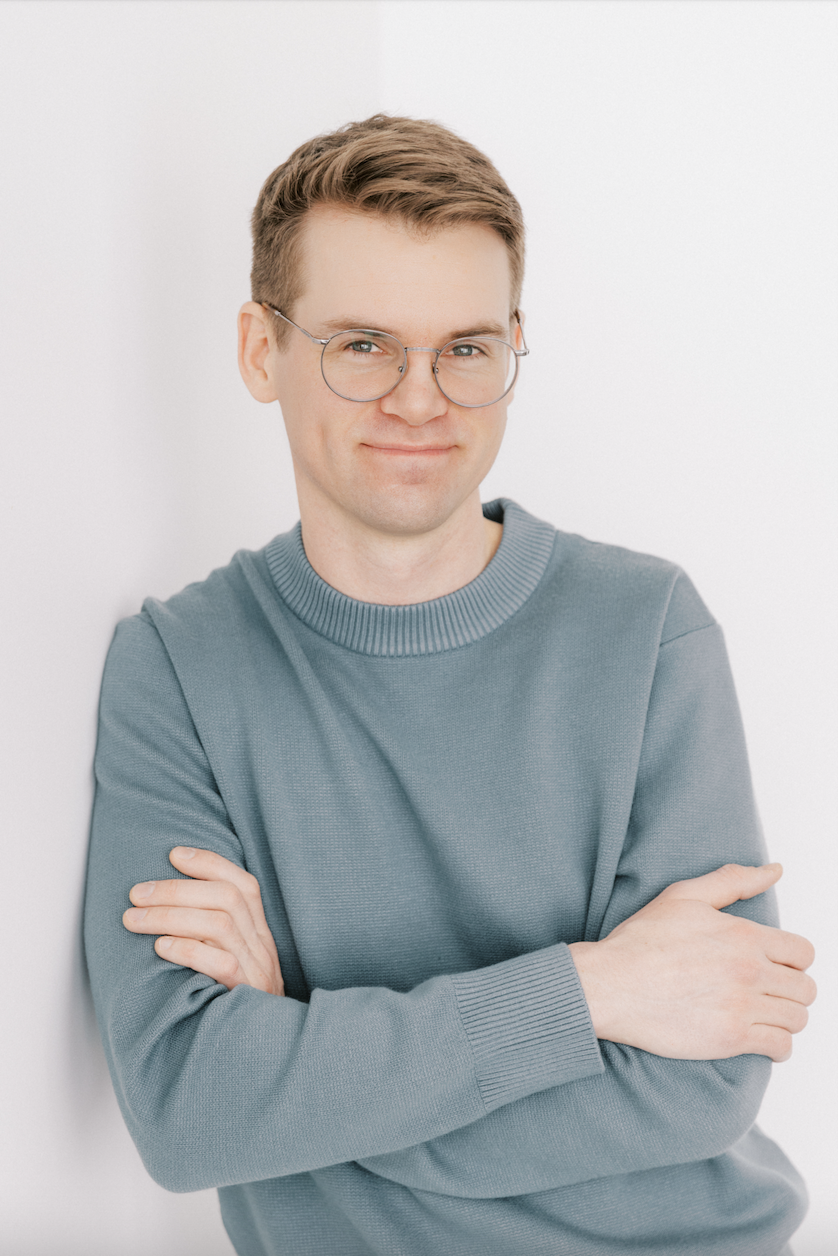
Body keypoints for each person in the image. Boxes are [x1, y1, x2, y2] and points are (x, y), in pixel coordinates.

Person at [84, 115, 816, 1256]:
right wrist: (587, 993)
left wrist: (296, 1046)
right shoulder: (180, 665)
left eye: (466, 348)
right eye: (361, 344)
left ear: (512, 347)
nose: (420, 399)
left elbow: (704, 1082)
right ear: (258, 350)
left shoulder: (647, 627)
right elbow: (188, 1110)